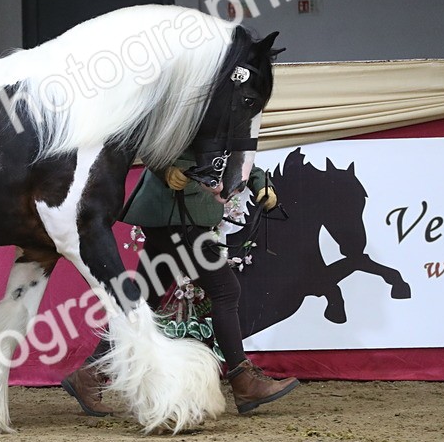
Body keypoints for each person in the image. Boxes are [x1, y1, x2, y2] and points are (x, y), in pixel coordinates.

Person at [60, 155, 299, 417]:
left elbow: (235, 153)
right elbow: (154, 142)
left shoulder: (229, 117)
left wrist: (260, 182)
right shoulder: (196, 112)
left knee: (143, 301)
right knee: (225, 290)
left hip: (171, 216)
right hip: (173, 213)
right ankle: (243, 380)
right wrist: (166, 169)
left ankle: (90, 375)